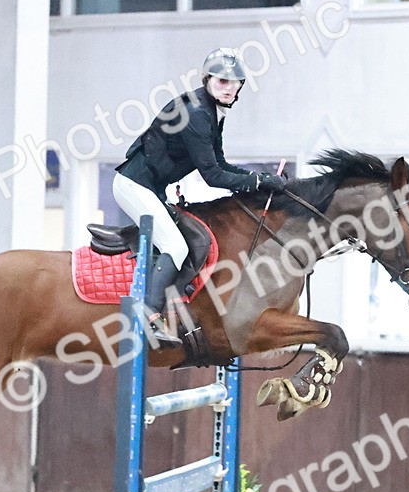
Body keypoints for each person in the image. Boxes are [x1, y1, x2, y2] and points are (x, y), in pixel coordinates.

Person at [114, 47, 287, 345]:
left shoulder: (210, 112)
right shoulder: (196, 114)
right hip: (134, 186)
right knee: (176, 246)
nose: (230, 89)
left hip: (151, 189)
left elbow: (220, 165)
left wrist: (260, 180)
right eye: (222, 82)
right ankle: (147, 313)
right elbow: (213, 176)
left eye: (235, 83)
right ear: (207, 80)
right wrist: (258, 182)